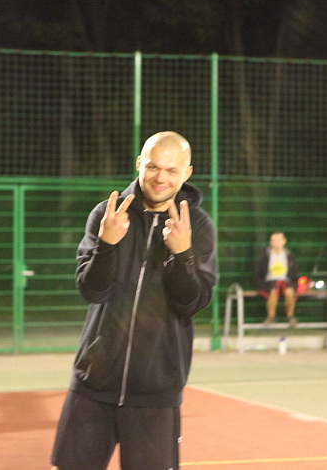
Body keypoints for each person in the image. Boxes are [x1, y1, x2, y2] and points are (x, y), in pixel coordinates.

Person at [50, 131, 217, 470]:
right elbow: (91, 290)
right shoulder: (107, 214)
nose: (160, 177)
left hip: (156, 390)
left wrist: (182, 254)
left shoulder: (197, 225)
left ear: (186, 173)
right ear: (139, 163)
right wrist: (107, 245)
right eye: (153, 167)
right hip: (93, 383)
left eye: (171, 170)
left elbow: (193, 303)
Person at [254, 231, 300, 327]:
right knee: (273, 291)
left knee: (289, 292)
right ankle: (271, 317)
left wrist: (294, 283)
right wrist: (260, 285)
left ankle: (290, 316)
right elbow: (258, 273)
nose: (276, 243)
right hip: (270, 282)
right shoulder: (265, 256)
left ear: (284, 241)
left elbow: (295, 273)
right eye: (273, 240)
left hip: (286, 281)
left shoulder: (289, 256)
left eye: (278, 240)